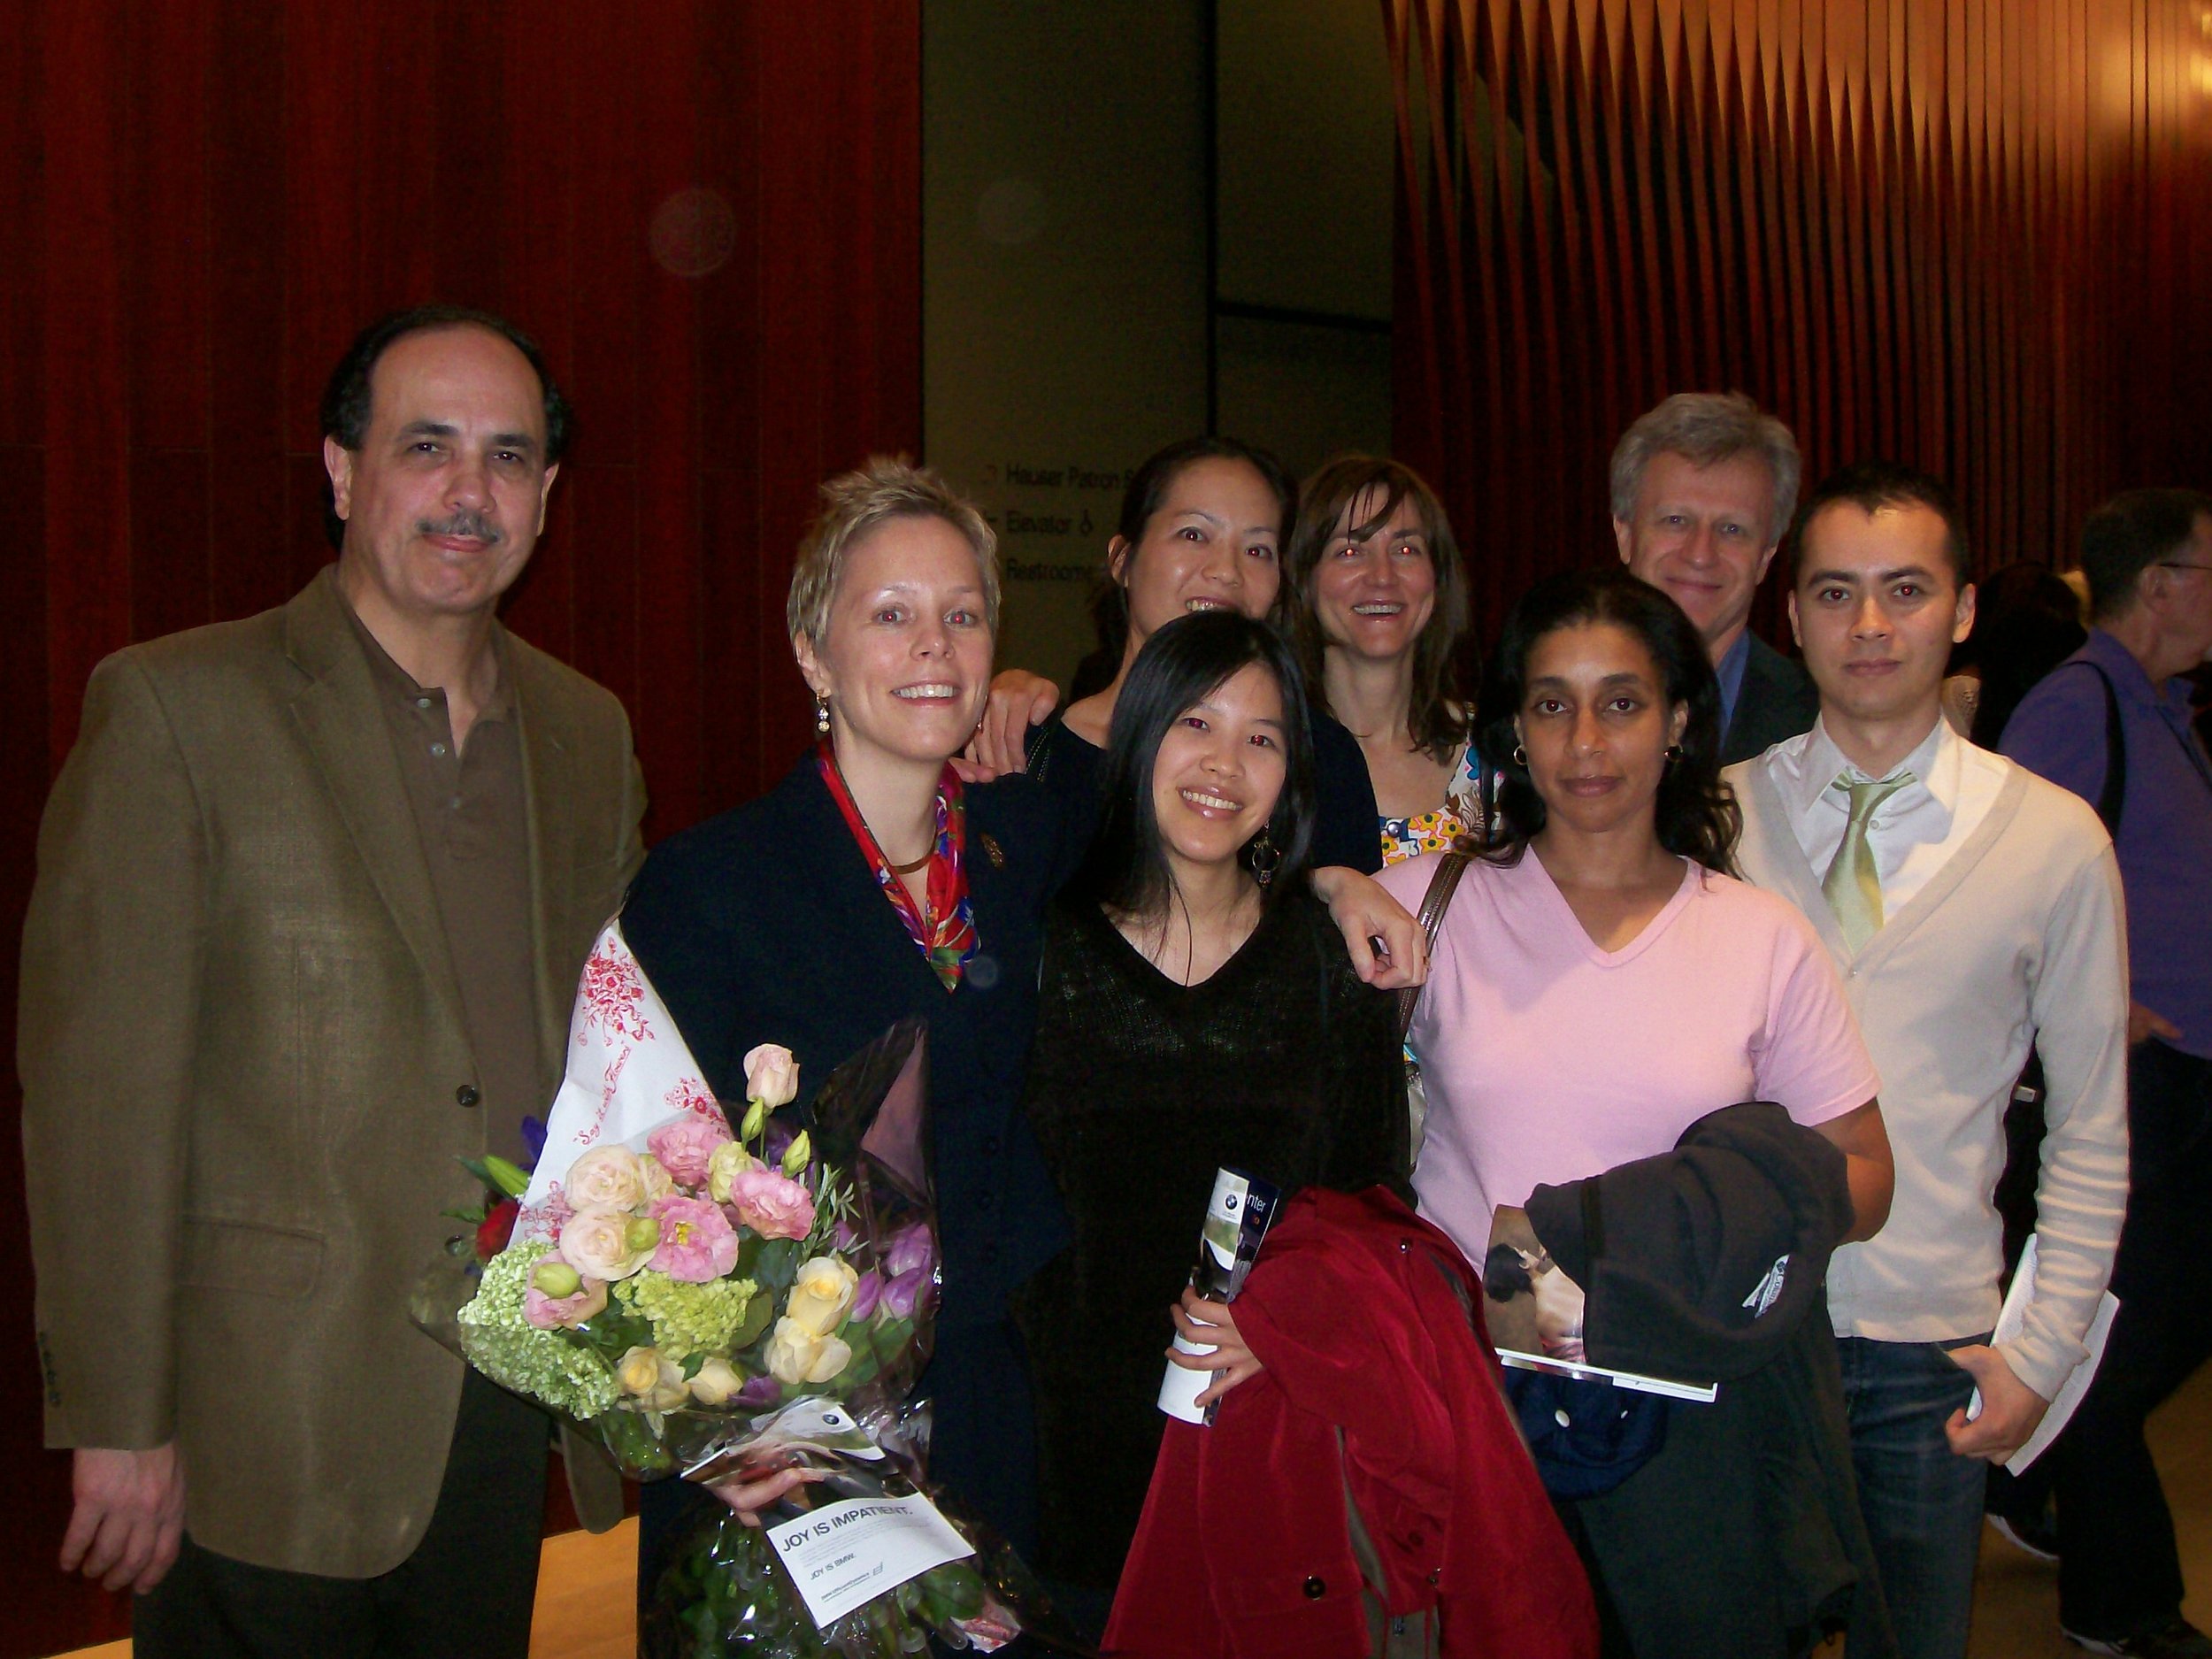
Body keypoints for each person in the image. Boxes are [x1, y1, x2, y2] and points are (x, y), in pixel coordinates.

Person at [612, 462, 1425, 1601]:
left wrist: (1335, 883)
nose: (934, 647)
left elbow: (1204, 850)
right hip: (787, 1441)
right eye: (890, 616)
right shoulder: (706, 889)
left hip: (1006, 1416)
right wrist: (716, 1416)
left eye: (963, 615)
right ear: (812, 650)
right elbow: (633, 1192)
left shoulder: (1035, 844)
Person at [19, 305, 647, 1657]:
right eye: (427, 446)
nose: (469, 492)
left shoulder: (587, 732)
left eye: (510, 455)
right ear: (343, 470)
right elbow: (100, 1098)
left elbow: (619, 1056)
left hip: (501, 1394)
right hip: (262, 1415)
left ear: (548, 495)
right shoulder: (180, 709)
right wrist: (121, 1417)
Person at [1379, 566, 1893, 1655]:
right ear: (1514, 730)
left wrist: (1680, 1220)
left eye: (1620, 702)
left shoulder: (1758, 939)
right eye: (1551, 704)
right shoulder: (1433, 902)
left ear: (1676, 723)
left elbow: (1865, 1177)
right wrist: (1333, 886)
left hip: (1690, 1416)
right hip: (1472, 1408)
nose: (1584, 741)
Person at [1725, 463, 2129, 1659]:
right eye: (1836, 592)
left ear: (1958, 610)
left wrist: (2040, 1352)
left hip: (1931, 1353)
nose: (1869, 625)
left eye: (1904, 589)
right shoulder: (1715, 818)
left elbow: (2094, 1127)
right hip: (1748, 1332)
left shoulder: (2056, 840)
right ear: (1789, 616)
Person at [1018, 611, 1409, 1628]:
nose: (1224, 764)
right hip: (1066, 1453)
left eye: (1263, 738)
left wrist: (1287, 1326)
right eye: (1196, 722)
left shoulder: (1329, 966)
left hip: (1266, 1431)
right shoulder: (1043, 953)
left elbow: (1375, 1204)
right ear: (1140, 733)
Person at [2001, 488, 2212, 1658]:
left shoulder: (2168, 707)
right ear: (2163, 579)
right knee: (2117, 1348)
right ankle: (2117, 1598)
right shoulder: (2079, 702)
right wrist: (2102, 1004)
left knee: (2140, 1331)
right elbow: (2007, 875)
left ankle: (2020, 1476)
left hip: (2187, 1083)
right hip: (2141, 1082)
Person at [967, 437, 1385, 873]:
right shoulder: (1020, 747)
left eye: (1257, 549)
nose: (1226, 570)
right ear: (1122, 559)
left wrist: (1329, 887)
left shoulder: (1320, 758)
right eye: (1193, 535)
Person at [1285, 454, 1486, 864]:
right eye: (1349, 552)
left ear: (1438, 576)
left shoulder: (1501, 749)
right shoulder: (1267, 754)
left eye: (1406, 549)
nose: (1382, 576)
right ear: (1302, 576)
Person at [1611, 391, 1820, 764]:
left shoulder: (1824, 722)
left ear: (1766, 557)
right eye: (1676, 520)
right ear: (1625, 535)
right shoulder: (1542, 709)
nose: (1700, 554)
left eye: (1732, 529)